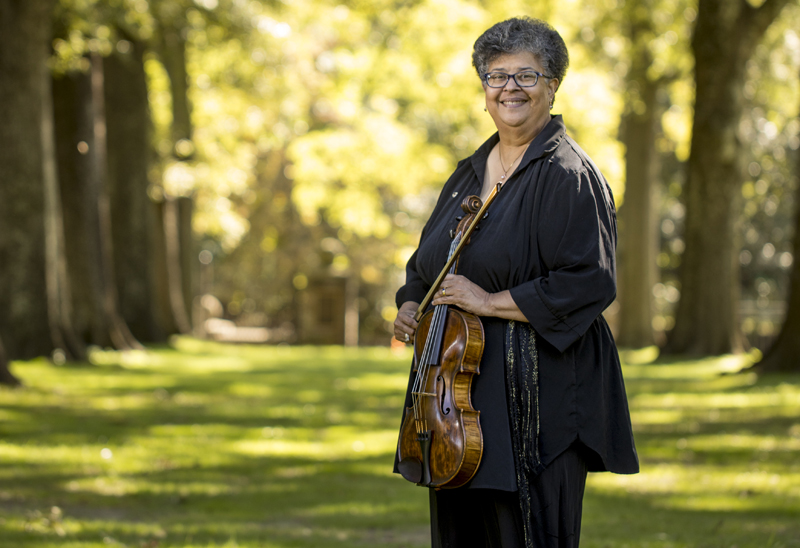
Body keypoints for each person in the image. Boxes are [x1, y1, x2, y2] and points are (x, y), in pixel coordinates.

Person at [392, 16, 639, 548]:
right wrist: (412, 303)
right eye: (496, 75)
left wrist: (488, 300)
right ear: (483, 90)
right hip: (454, 405)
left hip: (536, 403)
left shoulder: (569, 174)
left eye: (526, 76)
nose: (509, 88)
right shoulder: (468, 172)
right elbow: (425, 265)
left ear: (552, 87)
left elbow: (589, 281)